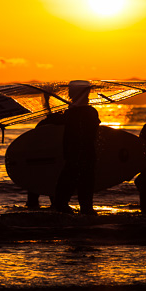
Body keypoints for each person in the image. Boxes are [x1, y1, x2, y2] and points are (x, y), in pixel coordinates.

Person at [53, 81, 100, 214]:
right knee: (85, 197)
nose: (68, 94)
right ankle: (85, 222)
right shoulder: (89, 111)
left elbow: (58, 121)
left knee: (61, 199)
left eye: (71, 91)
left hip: (76, 158)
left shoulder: (75, 113)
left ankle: (73, 222)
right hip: (87, 157)